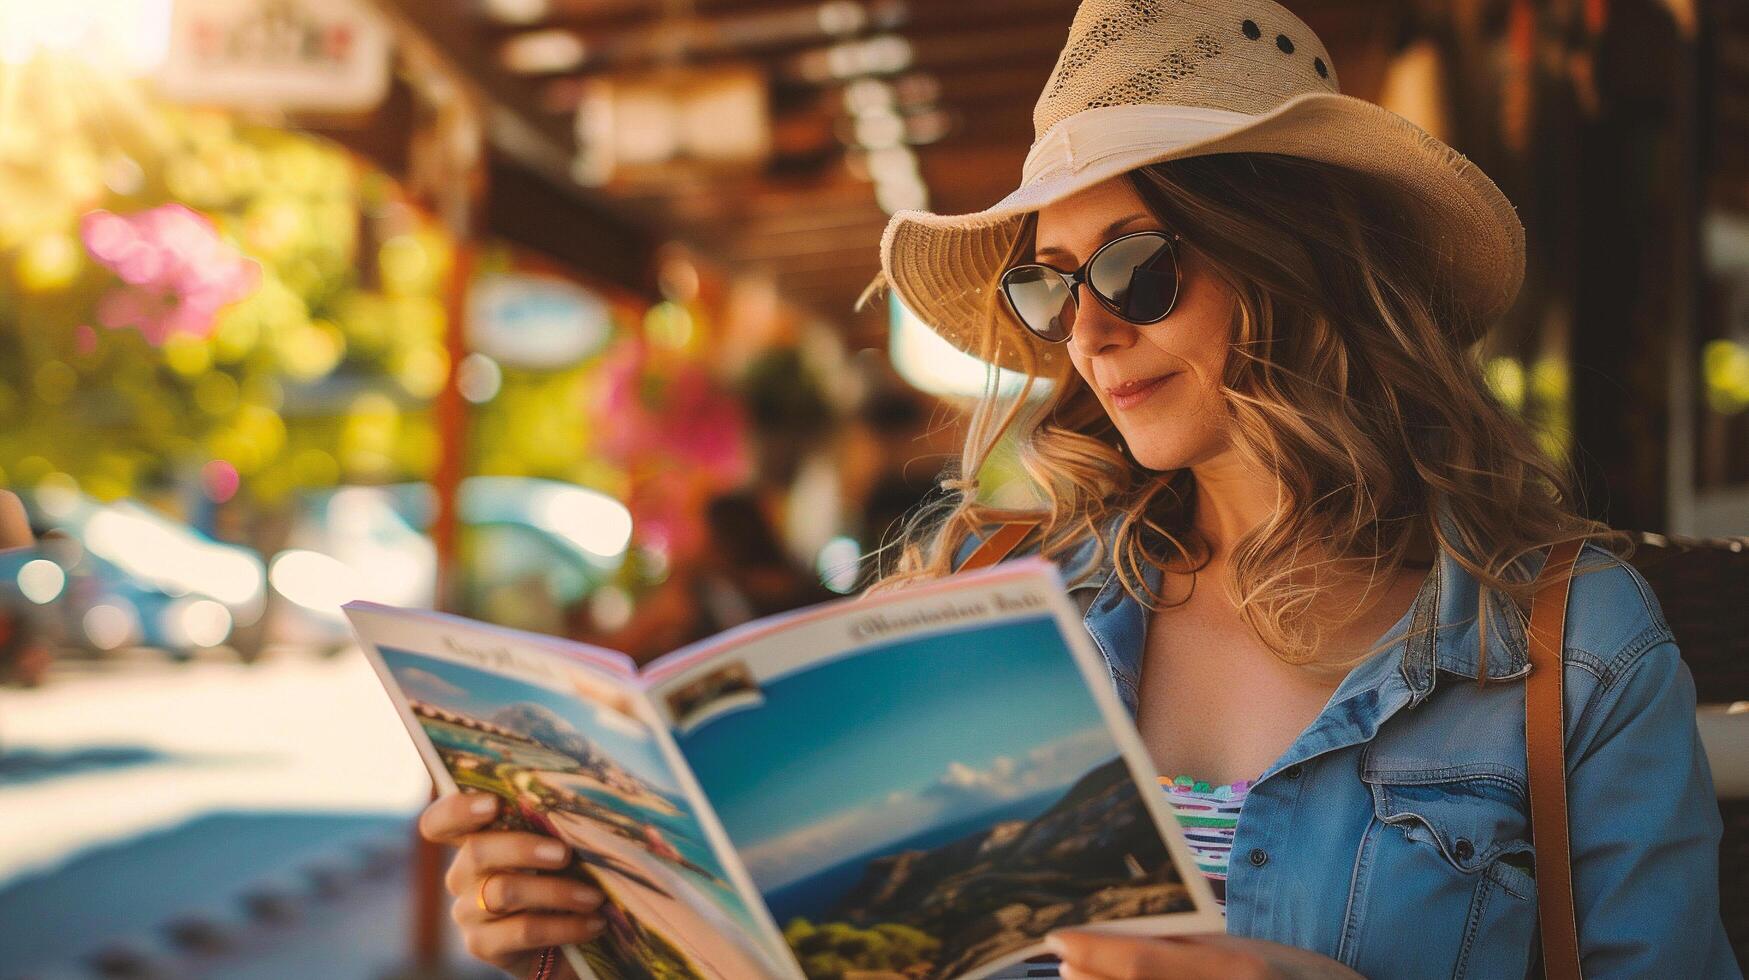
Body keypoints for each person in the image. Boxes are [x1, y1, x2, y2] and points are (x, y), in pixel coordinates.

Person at [419, 2, 1737, 977]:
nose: (1085, 334)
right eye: (1049, 285)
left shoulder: (1567, 644)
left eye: (1136, 268)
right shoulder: (979, 588)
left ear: (1306, 266)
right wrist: (587, 929)